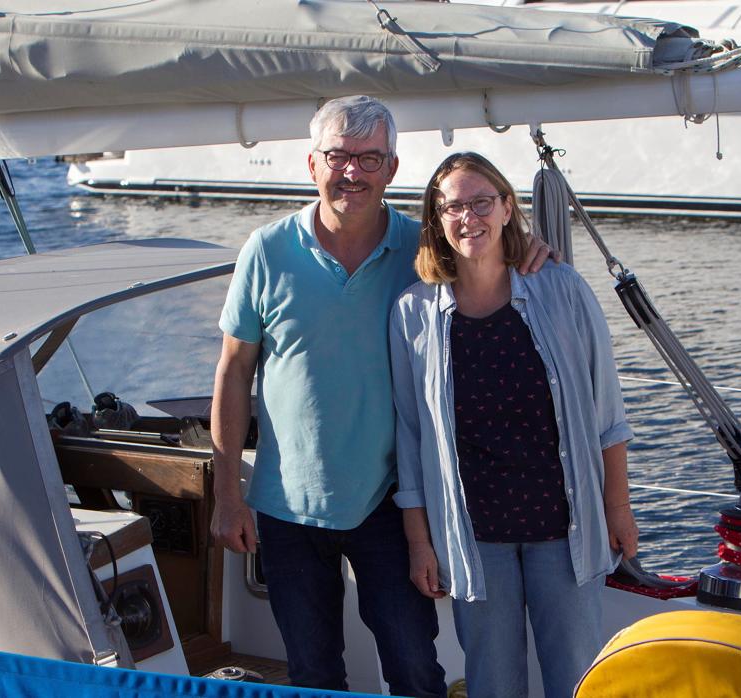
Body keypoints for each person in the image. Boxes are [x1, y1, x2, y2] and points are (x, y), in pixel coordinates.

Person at [210, 97, 549, 694]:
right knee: (314, 676)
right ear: (311, 163)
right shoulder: (265, 251)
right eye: (339, 156)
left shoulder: (426, 253)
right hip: (288, 504)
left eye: (370, 158)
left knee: (416, 667)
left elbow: (488, 259)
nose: (353, 172)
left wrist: (528, 251)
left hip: (391, 505)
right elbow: (234, 372)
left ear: (391, 170)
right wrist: (226, 496)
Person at [388, 152, 638, 698]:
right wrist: (419, 542)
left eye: (480, 202)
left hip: (563, 529)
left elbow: (607, 414)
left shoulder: (562, 289)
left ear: (506, 208)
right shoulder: (413, 313)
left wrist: (618, 509)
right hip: (475, 538)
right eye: (452, 206)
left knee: (576, 682)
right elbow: (410, 435)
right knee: (492, 685)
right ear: (436, 219)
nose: (467, 217)